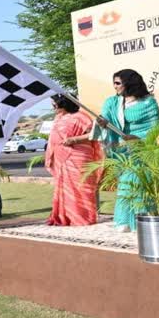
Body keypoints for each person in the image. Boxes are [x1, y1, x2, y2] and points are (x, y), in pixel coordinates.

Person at [93, 69, 159, 232]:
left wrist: (137, 139)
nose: (115, 86)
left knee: (138, 183)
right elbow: (104, 125)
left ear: (129, 83)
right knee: (126, 183)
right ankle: (126, 221)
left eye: (117, 83)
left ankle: (140, 220)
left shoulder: (148, 103)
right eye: (114, 83)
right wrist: (102, 124)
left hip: (142, 149)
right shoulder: (112, 102)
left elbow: (155, 128)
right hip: (121, 152)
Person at [44, 94, 103, 226]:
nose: (52, 106)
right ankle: (66, 217)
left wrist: (74, 139)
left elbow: (95, 134)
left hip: (79, 157)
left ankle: (83, 217)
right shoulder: (59, 118)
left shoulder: (81, 117)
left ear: (63, 102)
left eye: (54, 103)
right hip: (61, 159)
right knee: (65, 188)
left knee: (81, 187)